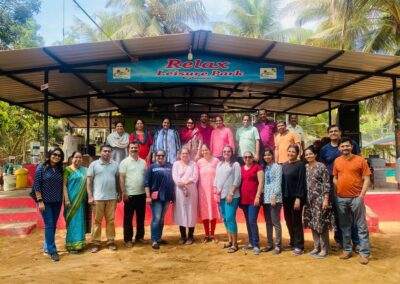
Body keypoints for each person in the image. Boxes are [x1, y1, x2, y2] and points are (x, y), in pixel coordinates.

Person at [319, 125, 360, 249]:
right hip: (332, 184)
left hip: (350, 182)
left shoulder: (350, 144)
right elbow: (322, 167)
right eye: (331, 131)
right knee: (338, 212)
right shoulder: (324, 149)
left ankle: (356, 241)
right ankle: (340, 240)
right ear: (328, 134)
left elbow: (359, 160)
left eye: (336, 131)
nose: (333, 133)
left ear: (340, 132)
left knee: (352, 213)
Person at [333, 137, 371, 265]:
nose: (345, 148)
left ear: (352, 146)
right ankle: (347, 250)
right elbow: (334, 177)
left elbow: (366, 179)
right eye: (342, 146)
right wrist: (338, 187)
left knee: (361, 226)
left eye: (347, 146)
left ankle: (364, 253)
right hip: (341, 199)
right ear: (339, 148)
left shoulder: (360, 160)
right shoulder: (337, 161)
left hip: (356, 198)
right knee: (344, 226)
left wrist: (361, 195)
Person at [87, 144, 121, 253]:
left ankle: (110, 241)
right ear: (100, 152)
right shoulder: (94, 164)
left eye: (109, 151)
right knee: (97, 221)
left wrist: (119, 193)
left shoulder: (115, 164)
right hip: (98, 198)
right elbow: (89, 181)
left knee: (110, 221)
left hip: (112, 198)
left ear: (111, 153)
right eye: (105, 151)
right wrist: (90, 196)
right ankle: (96, 242)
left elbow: (117, 180)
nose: (107, 153)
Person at [303, 146, 335, 259]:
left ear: (315, 155)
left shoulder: (321, 166)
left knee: (321, 224)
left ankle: (324, 249)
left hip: (320, 200)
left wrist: (326, 199)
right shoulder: (305, 167)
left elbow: (327, 183)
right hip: (309, 201)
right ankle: (316, 247)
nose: (308, 156)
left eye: (310, 154)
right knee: (312, 224)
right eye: (306, 154)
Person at [33, 147, 65, 262]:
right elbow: (37, 185)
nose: (56, 157)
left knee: (52, 225)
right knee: (50, 224)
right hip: (45, 202)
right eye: (54, 154)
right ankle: (52, 251)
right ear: (50, 155)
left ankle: (47, 246)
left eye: (59, 155)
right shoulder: (41, 167)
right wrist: (40, 201)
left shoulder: (60, 168)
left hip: (57, 201)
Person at [144, 150, 175, 250]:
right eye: (158, 155)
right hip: (155, 198)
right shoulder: (151, 167)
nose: (160, 157)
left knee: (161, 218)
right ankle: (154, 240)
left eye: (162, 155)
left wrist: (172, 196)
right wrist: (148, 196)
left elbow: (172, 182)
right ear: (155, 156)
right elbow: (146, 183)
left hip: (166, 197)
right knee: (156, 218)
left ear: (165, 156)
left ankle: (159, 238)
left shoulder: (169, 167)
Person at [119, 142, 147, 247]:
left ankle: (139, 237)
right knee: (128, 219)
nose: (134, 149)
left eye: (136, 147)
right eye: (132, 148)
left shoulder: (143, 162)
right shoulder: (124, 162)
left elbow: (146, 178)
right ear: (128, 149)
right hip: (129, 195)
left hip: (141, 194)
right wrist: (124, 192)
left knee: (141, 217)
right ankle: (128, 239)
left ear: (138, 149)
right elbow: (121, 178)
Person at [214, 145, 241, 253]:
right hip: (221, 195)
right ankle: (230, 241)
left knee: (230, 218)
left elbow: (237, 179)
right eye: (224, 151)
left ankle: (235, 244)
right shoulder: (219, 164)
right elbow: (216, 178)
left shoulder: (235, 164)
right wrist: (216, 189)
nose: (226, 153)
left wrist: (231, 192)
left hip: (231, 196)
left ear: (232, 152)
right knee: (225, 218)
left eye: (228, 151)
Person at [281, 144, 306, 256]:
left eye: (293, 152)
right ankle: (292, 241)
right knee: (288, 220)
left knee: (296, 221)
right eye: (289, 151)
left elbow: (302, 182)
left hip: (296, 198)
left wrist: (298, 198)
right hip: (286, 197)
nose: (290, 153)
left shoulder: (301, 165)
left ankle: (299, 245)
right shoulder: (284, 165)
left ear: (297, 154)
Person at [172, 147, 199, 245]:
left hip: (191, 190)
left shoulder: (194, 164)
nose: (185, 155)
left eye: (186, 153)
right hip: (179, 191)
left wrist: (186, 184)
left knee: (191, 212)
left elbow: (195, 177)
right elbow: (175, 177)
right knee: (181, 212)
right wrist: (182, 186)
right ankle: (183, 236)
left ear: (189, 154)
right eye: (183, 153)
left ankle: (191, 236)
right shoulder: (176, 164)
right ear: (180, 155)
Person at [240, 151, 264, 255]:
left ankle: (256, 244)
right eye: (245, 157)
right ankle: (251, 242)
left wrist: (258, 196)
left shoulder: (257, 167)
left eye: (249, 157)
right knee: (248, 221)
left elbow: (261, 183)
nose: (247, 159)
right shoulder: (241, 168)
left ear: (252, 158)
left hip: (254, 199)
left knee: (252, 221)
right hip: (244, 199)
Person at [63, 151, 87, 253]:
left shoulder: (85, 170)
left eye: (80, 157)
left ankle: (80, 243)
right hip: (71, 200)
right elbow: (64, 185)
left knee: (80, 221)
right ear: (71, 158)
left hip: (81, 201)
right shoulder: (67, 170)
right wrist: (67, 199)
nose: (78, 159)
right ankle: (71, 245)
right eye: (76, 157)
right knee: (72, 222)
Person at [197, 144, 219, 242]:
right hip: (202, 191)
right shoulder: (199, 162)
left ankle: (212, 234)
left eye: (206, 150)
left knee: (213, 211)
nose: (204, 152)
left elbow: (219, 176)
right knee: (205, 212)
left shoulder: (216, 161)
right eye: (203, 150)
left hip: (213, 190)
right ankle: (206, 234)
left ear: (210, 150)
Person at [262, 148, 282, 255]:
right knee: (268, 223)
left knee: (275, 222)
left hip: (275, 198)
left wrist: (274, 195)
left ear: (272, 155)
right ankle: (270, 244)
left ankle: (278, 245)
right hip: (266, 199)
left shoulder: (277, 167)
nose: (267, 157)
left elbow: (278, 182)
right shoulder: (266, 168)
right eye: (265, 155)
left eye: (269, 155)